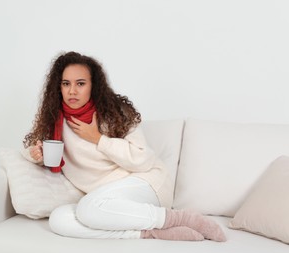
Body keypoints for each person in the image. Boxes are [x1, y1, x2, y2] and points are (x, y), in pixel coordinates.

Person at [23, 51, 226, 241]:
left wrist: (97, 138)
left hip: (144, 182)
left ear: (94, 86)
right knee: (59, 219)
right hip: (105, 199)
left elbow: (142, 159)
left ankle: (181, 219)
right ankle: (147, 233)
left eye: (81, 83)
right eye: (66, 83)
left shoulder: (115, 113)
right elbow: (36, 147)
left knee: (88, 209)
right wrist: (36, 155)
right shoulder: (54, 121)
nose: (72, 91)